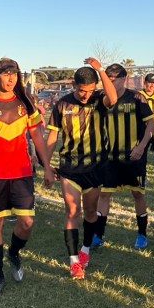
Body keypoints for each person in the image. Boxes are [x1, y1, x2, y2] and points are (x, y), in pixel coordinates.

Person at [0, 58, 55, 294]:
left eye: (14, 74)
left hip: (21, 174)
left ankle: (14, 253)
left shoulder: (25, 102)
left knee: (27, 222)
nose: (11, 78)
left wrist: (47, 166)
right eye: (6, 74)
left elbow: (37, 137)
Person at [45, 62, 117, 278]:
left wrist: (101, 70)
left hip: (95, 167)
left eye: (90, 90)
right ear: (74, 85)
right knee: (72, 211)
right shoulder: (62, 104)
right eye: (82, 90)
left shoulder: (99, 100)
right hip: (70, 168)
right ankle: (74, 261)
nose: (86, 95)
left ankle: (85, 249)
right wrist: (46, 166)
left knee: (90, 212)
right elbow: (52, 136)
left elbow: (113, 98)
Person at [96, 64, 154, 249]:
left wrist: (141, 147)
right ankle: (98, 234)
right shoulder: (102, 98)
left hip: (133, 157)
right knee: (104, 194)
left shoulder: (136, 97)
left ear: (124, 79)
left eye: (114, 79)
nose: (111, 82)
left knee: (138, 194)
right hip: (110, 157)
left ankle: (142, 234)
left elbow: (150, 124)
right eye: (108, 79)